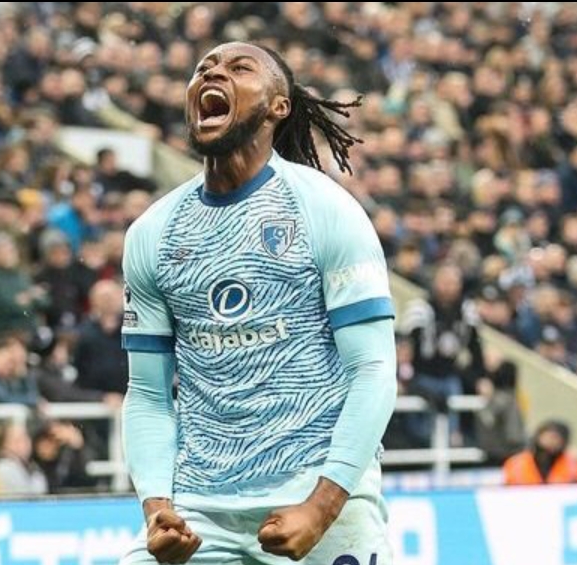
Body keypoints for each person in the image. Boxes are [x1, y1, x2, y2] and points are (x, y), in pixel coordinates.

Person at [120, 42, 395, 564]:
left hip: (319, 492)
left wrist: (322, 507)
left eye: (239, 68)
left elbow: (374, 370)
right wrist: (157, 507)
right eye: (203, 68)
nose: (212, 74)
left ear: (278, 106)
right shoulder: (153, 232)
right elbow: (148, 393)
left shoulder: (325, 209)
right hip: (200, 511)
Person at [503, 420, 577, 486]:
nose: (551, 440)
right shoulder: (515, 462)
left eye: (556, 437)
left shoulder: (575, 464)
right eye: (547, 435)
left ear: (564, 441)